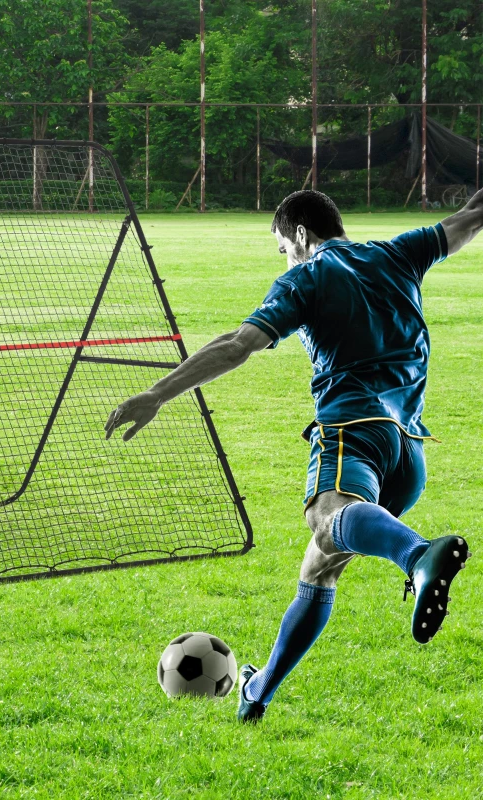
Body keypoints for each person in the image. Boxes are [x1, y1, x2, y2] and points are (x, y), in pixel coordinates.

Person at [104, 189, 478, 722]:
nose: (285, 257)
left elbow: (238, 343)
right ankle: (256, 694)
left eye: (283, 247)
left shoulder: (306, 277)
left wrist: (158, 393)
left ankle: (420, 557)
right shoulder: (399, 252)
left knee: (326, 522)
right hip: (408, 452)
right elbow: (469, 219)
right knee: (319, 568)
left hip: (354, 431)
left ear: (300, 234)